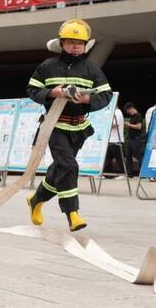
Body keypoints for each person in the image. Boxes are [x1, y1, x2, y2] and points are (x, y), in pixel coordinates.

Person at [26, 18, 112, 232]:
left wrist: (87, 100)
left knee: (59, 170)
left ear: (86, 46)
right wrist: (52, 93)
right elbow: (32, 90)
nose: (76, 46)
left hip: (79, 129)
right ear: (62, 43)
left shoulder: (92, 69)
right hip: (54, 126)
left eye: (80, 43)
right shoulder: (47, 66)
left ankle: (36, 200)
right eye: (71, 42)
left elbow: (106, 94)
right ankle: (72, 214)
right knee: (69, 166)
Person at [103, 108, 125, 178]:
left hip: (116, 140)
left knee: (119, 158)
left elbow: (115, 124)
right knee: (107, 159)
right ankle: (108, 174)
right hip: (111, 140)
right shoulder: (113, 112)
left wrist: (105, 123)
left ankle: (124, 173)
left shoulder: (117, 112)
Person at [123, 102, 143, 178]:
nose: (128, 113)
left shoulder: (138, 115)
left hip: (136, 139)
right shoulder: (132, 117)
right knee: (128, 156)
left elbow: (139, 127)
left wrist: (129, 124)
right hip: (130, 139)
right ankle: (129, 173)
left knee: (138, 156)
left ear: (131, 108)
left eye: (128, 111)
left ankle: (142, 172)